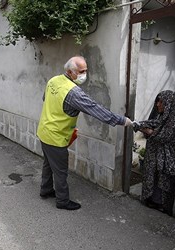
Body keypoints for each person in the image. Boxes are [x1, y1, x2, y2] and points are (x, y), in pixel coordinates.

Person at [37, 56, 133, 210]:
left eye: (86, 70)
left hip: (44, 131)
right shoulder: (73, 93)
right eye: (81, 71)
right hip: (56, 137)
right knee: (60, 171)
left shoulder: (53, 80)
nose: (85, 74)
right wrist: (121, 120)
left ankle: (46, 189)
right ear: (70, 72)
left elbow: (45, 99)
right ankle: (62, 201)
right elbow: (95, 109)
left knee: (48, 164)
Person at [133, 90, 175, 216]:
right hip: (156, 156)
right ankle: (151, 200)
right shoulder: (162, 116)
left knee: (164, 181)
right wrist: (140, 124)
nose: (158, 105)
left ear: (169, 103)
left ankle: (163, 206)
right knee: (153, 176)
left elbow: (163, 136)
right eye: (157, 102)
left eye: (161, 102)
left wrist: (146, 130)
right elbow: (155, 123)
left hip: (168, 159)